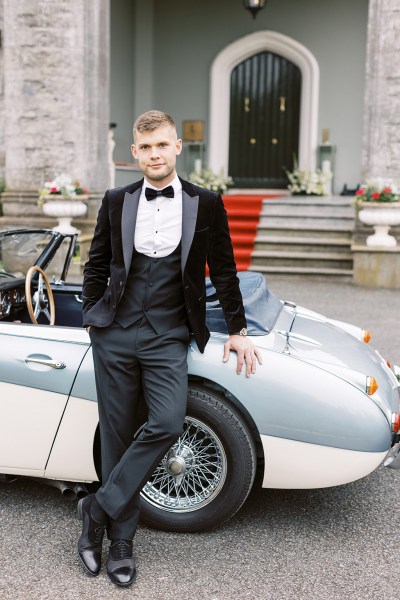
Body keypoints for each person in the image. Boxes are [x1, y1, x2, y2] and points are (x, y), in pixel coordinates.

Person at [78, 110, 262, 587]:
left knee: (165, 422)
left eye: (163, 145)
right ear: (134, 153)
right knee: (117, 436)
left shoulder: (206, 203)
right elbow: (96, 262)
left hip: (167, 334)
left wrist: (238, 329)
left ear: (178, 147)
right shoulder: (117, 200)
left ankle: (96, 508)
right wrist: (93, 318)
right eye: (146, 148)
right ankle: (121, 543)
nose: (155, 154)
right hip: (115, 333)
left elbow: (224, 269)